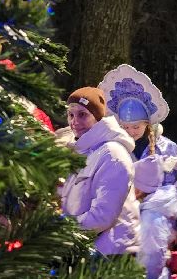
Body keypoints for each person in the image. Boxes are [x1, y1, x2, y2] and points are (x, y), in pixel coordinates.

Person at [56, 87, 140, 257]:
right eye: (71, 115)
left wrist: (60, 228)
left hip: (111, 254)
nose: (74, 122)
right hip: (85, 248)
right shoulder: (82, 151)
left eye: (82, 114)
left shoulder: (112, 154)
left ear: (98, 118)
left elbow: (103, 216)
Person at [102, 64, 177, 187]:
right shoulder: (114, 148)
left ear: (147, 124)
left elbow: (170, 182)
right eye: (125, 127)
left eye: (136, 127)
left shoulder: (167, 148)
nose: (130, 132)